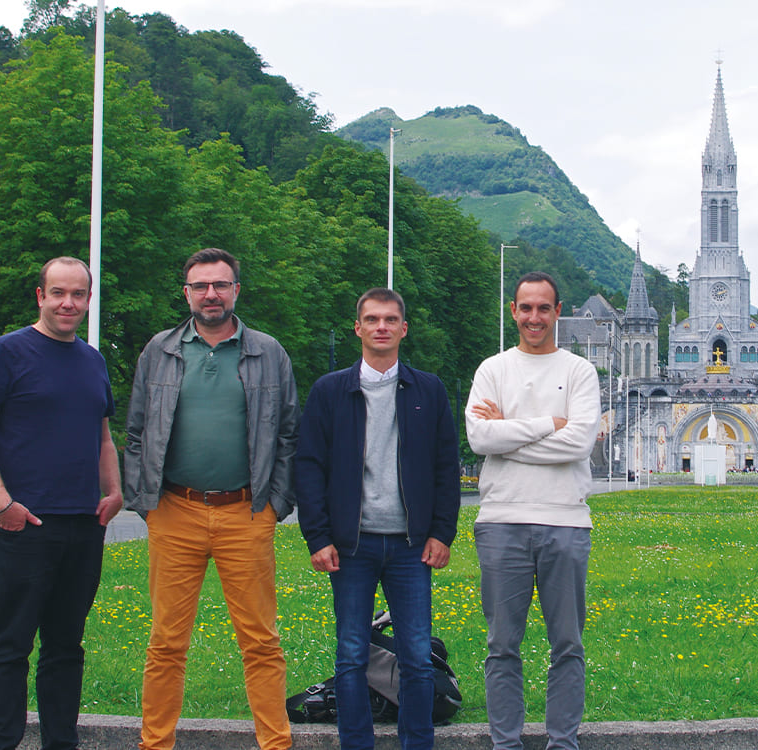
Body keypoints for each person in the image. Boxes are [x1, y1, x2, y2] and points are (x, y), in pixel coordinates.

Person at [124, 248, 298, 750]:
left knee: (261, 642)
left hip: (246, 512)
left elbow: (289, 434)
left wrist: (274, 506)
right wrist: (146, 503)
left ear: (236, 290)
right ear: (187, 293)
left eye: (220, 285)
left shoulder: (268, 351)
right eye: (200, 286)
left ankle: (275, 743)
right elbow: (136, 433)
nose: (211, 294)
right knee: (166, 643)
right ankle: (155, 743)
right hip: (173, 513)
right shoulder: (159, 350)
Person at [0, 256, 122, 750]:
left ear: (88, 299)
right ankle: (1, 743)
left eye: (78, 294)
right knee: (10, 645)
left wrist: (114, 492)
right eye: (58, 293)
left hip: (82, 524)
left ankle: (60, 742)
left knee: (65, 647)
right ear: (40, 296)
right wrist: (1, 502)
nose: (68, 303)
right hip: (24, 525)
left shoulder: (92, 360)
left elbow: (103, 437)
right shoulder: (7, 352)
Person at [296, 287, 460, 750]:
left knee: (416, 656)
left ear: (403, 328)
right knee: (350, 655)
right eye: (372, 319)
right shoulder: (331, 391)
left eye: (390, 319)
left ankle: (416, 743)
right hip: (351, 544)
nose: (381, 327)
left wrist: (442, 532)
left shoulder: (428, 389)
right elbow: (308, 467)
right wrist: (318, 537)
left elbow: (446, 467)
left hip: (411, 546)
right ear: (358, 328)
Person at [466, 271, 600, 750]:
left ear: (558, 312)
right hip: (502, 520)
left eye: (544, 308)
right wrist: (547, 425)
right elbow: (480, 437)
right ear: (513, 311)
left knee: (568, 645)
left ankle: (562, 742)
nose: (534, 317)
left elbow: (580, 442)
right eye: (526, 308)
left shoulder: (579, 371)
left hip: (566, 520)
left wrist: (510, 435)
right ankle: (506, 743)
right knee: (502, 646)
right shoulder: (492, 369)